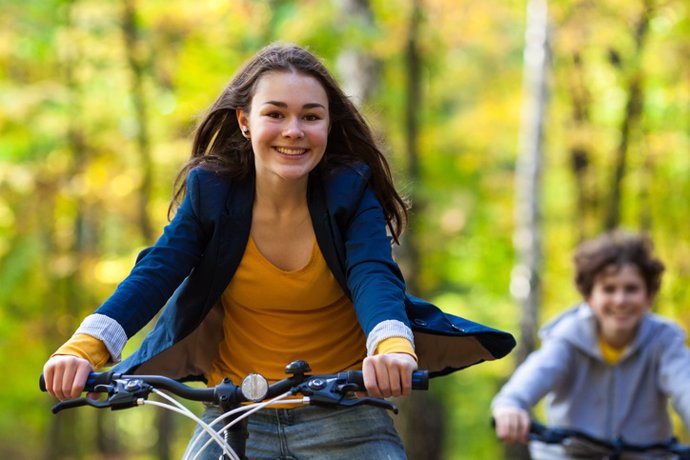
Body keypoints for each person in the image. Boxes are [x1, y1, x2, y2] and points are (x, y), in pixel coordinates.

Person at [43, 43, 514, 459]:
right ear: (245, 122)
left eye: (311, 116)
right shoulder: (212, 193)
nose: (294, 130)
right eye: (276, 114)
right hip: (234, 417)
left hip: (344, 415)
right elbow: (157, 271)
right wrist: (83, 349)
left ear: (328, 126)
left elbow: (374, 273)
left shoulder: (349, 192)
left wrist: (391, 346)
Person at [492, 230, 690, 459]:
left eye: (631, 289)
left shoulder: (664, 340)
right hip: (570, 454)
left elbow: (685, 385)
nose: (620, 300)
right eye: (609, 289)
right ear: (589, 296)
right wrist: (511, 406)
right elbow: (533, 377)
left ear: (649, 295)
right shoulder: (567, 337)